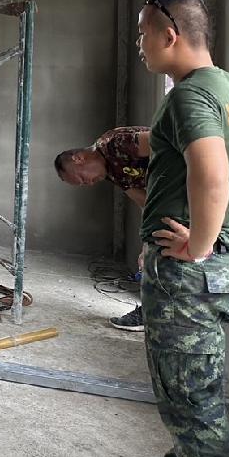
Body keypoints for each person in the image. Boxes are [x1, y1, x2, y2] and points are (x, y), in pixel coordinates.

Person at [136, 0, 229, 457]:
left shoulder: (189, 96)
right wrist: (219, 240)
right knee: (195, 394)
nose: (140, 44)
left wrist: (200, 246)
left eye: (144, 34)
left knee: (191, 406)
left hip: (193, 275)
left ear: (170, 35)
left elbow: (212, 176)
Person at [55, 126, 150, 331]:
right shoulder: (112, 174)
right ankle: (152, 313)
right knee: (153, 257)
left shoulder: (115, 143)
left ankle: (156, 315)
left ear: (79, 158)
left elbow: (167, 141)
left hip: (191, 187)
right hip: (175, 200)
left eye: (83, 179)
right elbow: (147, 204)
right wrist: (147, 245)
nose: (89, 183)